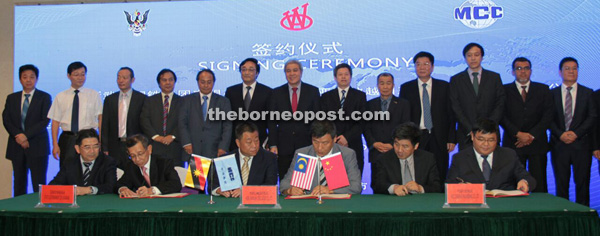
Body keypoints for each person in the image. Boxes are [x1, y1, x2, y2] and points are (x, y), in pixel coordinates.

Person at [400, 51, 457, 180]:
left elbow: (451, 114)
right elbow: (404, 116)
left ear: (432, 66)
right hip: (417, 136)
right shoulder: (406, 88)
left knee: (441, 170)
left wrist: (452, 138)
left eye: (426, 64)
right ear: (414, 67)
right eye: (418, 64)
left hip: (439, 136)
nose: (422, 67)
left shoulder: (444, 86)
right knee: (418, 171)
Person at [500, 57, 553, 192]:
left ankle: (540, 211)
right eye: (519, 68)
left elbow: (548, 116)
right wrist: (518, 134)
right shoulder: (504, 90)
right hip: (513, 143)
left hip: (537, 143)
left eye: (526, 68)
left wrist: (531, 135)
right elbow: (501, 115)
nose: (522, 72)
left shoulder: (543, 89)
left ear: (531, 71)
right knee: (512, 184)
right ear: (512, 72)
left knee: (539, 183)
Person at [550, 57, 596, 206]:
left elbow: (592, 117)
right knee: (561, 184)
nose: (571, 71)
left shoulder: (588, 93)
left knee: (582, 183)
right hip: (559, 145)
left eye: (574, 68)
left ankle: (583, 218)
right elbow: (547, 118)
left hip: (581, 145)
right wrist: (560, 134)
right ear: (560, 72)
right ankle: (563, 215)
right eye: (567, 68)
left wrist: (576, 133)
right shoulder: (552, 94)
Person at [2, 64, 52, 196]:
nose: (28, 80)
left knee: (39, 183)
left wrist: (25, 136)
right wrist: (18, 136)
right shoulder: (11, 98)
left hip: (37, 146)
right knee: (19, 182)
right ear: (20, 79)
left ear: (37, 79)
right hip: (16, 145)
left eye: (32, 77)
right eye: (25, 77)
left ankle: (40, 211)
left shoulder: (44, 97)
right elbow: (6, 120)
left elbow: (45, 120)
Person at [447, 118, 536, 191]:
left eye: (491, 140)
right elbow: (449, 184)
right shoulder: (460, 158)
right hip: (474, 206)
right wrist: (460, 187)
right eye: (481, 139)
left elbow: (528, 178)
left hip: (503, 205)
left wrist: (524, 182)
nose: (486, 144)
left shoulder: (509, 155)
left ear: (497, 139)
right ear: (472, 137)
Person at [268, 60, 320, 180]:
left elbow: (317, 120)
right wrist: (273, 144)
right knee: (285, 180)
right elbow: (271, 121)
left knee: (305, 181)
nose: (292, 74)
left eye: (295, 70)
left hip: (306, 144)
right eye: (288, 71)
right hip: (283, 145)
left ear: (301, 72)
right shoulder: (276, 93)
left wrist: (316, 141)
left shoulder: (312, 91)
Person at [280, 120, 362, 196]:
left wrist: (329, 190)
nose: (319, 148)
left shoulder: (346, 154)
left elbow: (356, 186)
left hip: (338, 204)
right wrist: (290, 190)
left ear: (334, 139)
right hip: (309, 205)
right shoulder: (303, 154)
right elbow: (284, 184)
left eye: (325, 143)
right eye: (315, 142)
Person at [449, 43, 505, 150]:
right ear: (465, 58)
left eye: (476, 55)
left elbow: (500, 103)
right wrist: (471, 129)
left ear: (482, 57)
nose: (473, 58)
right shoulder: (456, 80)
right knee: (467, 165)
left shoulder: (494, 78)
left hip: (490, 134)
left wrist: (488, 127)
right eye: (469, 55)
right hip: (466, 134)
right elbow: (455, 107)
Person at [47, 61, 103, 168]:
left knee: (90, 169)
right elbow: (55, 122)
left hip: (88, 137)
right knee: (66, 169)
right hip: (68, 138)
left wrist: (100, 142)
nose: (80, 77)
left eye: (83, 74)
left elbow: (100, 119)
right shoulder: (61, 96)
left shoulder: (93, 94)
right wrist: (55, 144)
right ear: (68, 76)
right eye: (76, 74)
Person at [320, 63, 367, 174]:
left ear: (351, 76)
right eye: (340, 74)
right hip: (332, 145)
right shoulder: (326, 97)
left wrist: (347, 137)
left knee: (354, 181)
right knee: (334, 181)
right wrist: (335, 137)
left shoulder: (360, 96)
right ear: (335, 78)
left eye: (346, 74)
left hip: (354, 144)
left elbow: (363, 121)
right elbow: (324, 121)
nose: (343, 77)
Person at [372, 123, 442, 195]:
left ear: (416, 146)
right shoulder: (384, 159)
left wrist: (420, 188)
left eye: (405, 146)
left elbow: (436, 187)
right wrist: (393, 188)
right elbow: (377, 185)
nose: (399, 150)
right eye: (397, 144)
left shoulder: (427, 159)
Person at [212, 122, 278, 197]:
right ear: (238, 143)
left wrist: (247, 190)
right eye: (249, 142)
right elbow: (213, 185)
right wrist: (219, 190)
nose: (254, 146)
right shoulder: (226, 159)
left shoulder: (269, 158)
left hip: (256, 204)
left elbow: (271, 185)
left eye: (256, 141)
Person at [365, 72, 410, 181]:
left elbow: (405, 127)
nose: (385, 87)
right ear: (377, 86)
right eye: (382, 83)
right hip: (376, 152)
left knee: (397, 184)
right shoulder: (369, 105)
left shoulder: (403, 104)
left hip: (397, 152)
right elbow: (366, 127)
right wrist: (374, 143)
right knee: (376, 185)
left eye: (388, 83)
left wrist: (393, 144)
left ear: (393, 85)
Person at [179, 69, 232, 160]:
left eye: (209, 82)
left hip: (215, 150)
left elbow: (227, 126)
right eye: (202, 82)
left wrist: (223, 147)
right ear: (198, 82)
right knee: (196, 174)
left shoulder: (223, 101)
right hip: (192, 149)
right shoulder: (187, 100)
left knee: (213, 174)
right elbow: (182, 123)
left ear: (214, 82)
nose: (206, 85)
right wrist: (186, 143)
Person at [101, 67, 146, 169]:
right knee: (114, 174)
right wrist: (104, 147)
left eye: (124, 78)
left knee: (134, 173)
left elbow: (144, 124)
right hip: (114, 146)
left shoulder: (141, 99)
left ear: (132, 80)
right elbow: (105, 125)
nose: (121, 80)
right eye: (119, 78)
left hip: (135, 145)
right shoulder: (110, 99)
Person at [49, 129, 116, 195]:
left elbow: (111, 186)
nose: (92, 151)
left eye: (96, 146)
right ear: (77, 149)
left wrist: (89, 190)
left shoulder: (107, 162)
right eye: (87, 147)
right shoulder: (70, 162)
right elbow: (55, 183)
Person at [225, 58, 272, 150]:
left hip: (259, 141)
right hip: (236, 142)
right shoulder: (231, 91)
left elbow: (271, 120)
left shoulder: (267, 92)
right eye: (244, 69)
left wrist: (270, 142)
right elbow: (227, 119)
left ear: (257, 73)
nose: (247, 72)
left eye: (251, 69)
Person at [140, 69, 184, 166]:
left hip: (174, 147)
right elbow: (144, 120)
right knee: (156, 178)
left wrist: (172, 136)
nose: (168, 83)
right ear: (159, 83)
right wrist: (156, 137)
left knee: (175, 178)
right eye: (164, 80)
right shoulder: (150, 101)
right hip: (154, 147)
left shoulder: (182, 101)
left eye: (171, 80)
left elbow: (184, 122)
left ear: (174, 82)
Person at [117, 134, 181, 197]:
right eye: (133, 156)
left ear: (149, 149)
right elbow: (118, 184)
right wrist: (123, 189)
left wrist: (152, 190)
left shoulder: (164, 162)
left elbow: (175, 184)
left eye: (140, 154)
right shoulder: (131, 166)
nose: (137, 159)